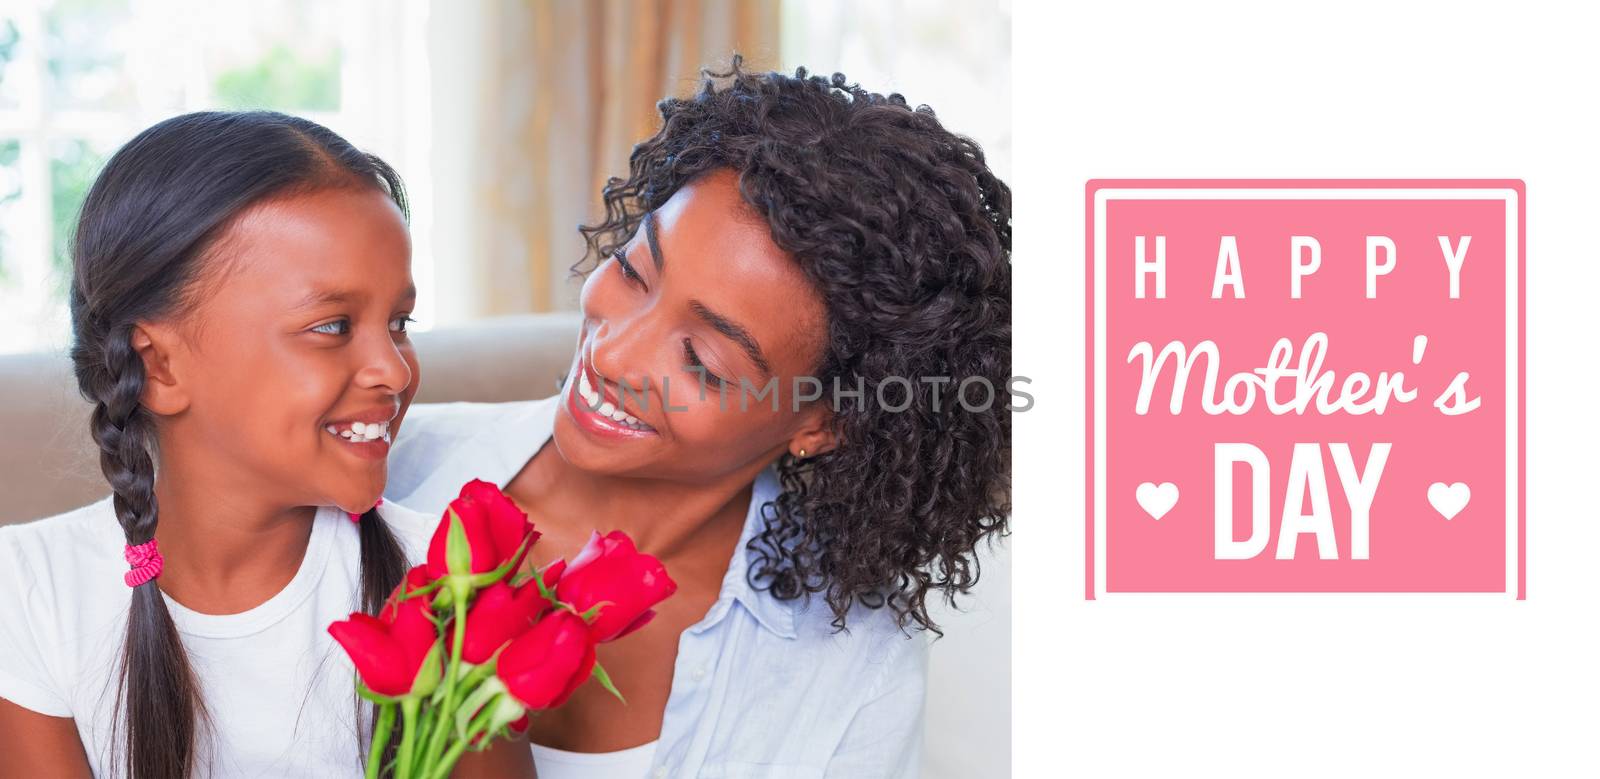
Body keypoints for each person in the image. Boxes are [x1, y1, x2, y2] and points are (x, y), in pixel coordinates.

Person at [387, 57, 1012, 778]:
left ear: (823, 423)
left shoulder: (852, 667)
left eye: (704, 362)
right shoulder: (390, 477)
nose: (615, 353)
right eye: (632, 270)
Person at [0, 112, 533, 778]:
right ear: (160, 365)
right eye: (333, 325)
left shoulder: (453, 583)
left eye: (399, 322)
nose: (394, 370)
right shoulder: (31, 590)